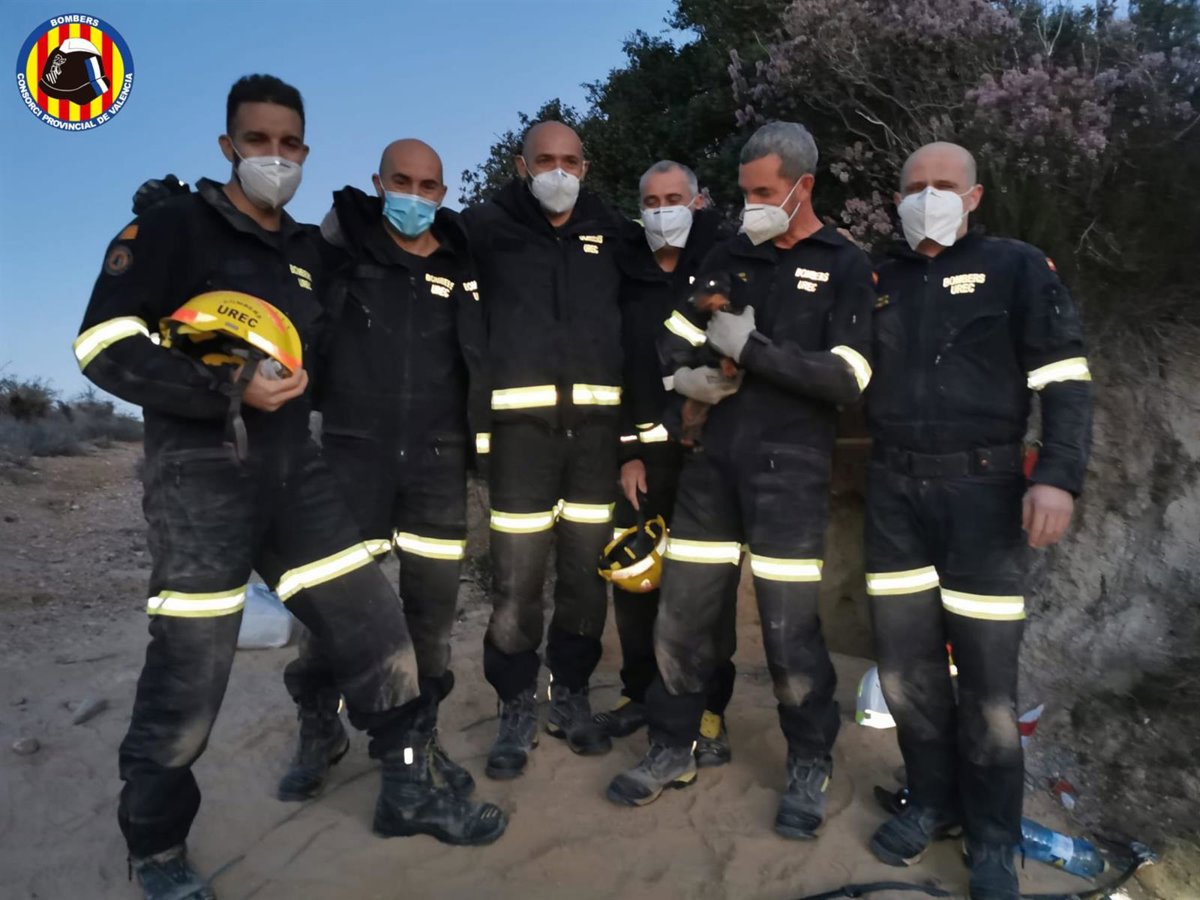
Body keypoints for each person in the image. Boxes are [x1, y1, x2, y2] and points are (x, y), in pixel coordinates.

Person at [75, 76, 505, 900]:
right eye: (258, 140)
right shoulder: (172, 227)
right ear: (228, 145)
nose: (274, 155)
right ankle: (158, 852)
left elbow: (366, 302)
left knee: (380, 638)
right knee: (189, 680)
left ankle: (408, 792)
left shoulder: (310, 252)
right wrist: (225, 385)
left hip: (298, 479)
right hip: (201, 484)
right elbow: (102, 345)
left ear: (305, 150)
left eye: (289, 142)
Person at [606, 122, 875, 844]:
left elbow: (847, 376)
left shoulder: (844, 265)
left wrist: (751, 349)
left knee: (789, 632)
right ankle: (674, 745)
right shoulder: (728, 255)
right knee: (683, 617)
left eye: (764, 192)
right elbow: (673, 335)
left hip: (791, 469)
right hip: (712, 465)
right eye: (746, 191)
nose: (751, 204)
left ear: (803, 187)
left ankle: (809, 763)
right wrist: (686, 376)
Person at [863, 141, 1092, 900]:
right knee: (907, 674)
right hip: (893, 497)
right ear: (897, 197)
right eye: (914, 185)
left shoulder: (1016, 266)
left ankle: (993, 837)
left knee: (989, 685)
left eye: (943, 184)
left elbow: (1064, 377)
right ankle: (931, 802)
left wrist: (1056, 476)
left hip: (984, 497)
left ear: (974, 196)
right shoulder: (880, 278)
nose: (927, 196)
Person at [276, 139, 489, 804]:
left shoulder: (462, 259)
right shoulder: (342, 247)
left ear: (443, 193)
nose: (414, 197)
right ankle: (319, 728)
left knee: (430, 620)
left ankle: (419, 741)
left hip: (437, 461)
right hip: (352, 455)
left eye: (428, 186)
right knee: (332, 616)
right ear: (377, 182)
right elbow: (272, 264)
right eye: (402, 182)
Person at [462, 121, 627, 778]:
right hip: (518, 443)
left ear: (585, 166)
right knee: (516, 585)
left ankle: (572, 695)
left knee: (586, 581)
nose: (559, 172)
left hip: (595, 442)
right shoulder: (483, 229)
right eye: (545, 160)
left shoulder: (612, 232)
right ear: (521, 165)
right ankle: (515, 705)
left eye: (570, 161)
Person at [593, 160, 740, 767]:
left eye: (673, 198)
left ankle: (708, 707)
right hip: (644, 457)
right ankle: (640, 693)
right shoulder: (624, 270)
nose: (662, 211)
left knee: (709, 591)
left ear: (698, 201)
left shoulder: (725, 261)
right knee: (637, 580)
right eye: (650, 201)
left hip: (708, 456)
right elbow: (619, 364)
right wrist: (628, 452)